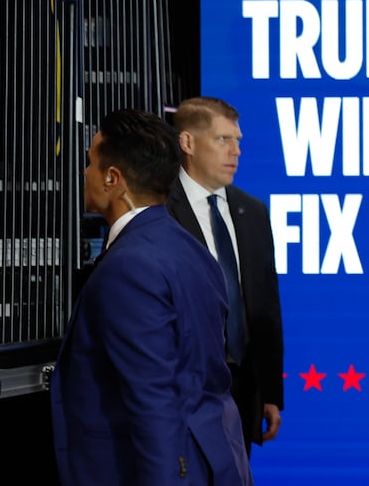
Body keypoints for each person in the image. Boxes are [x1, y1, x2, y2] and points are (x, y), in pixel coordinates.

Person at [50, 109, 251, 485]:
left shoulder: (129, 267)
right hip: (215, 458)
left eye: (90, 163)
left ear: (113, 179)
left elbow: (152, 399)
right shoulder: (192, 250)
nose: (84, 174)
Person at [166, 96, 285, 455]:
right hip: (182, 389)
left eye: (238, 141)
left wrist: (270, 391)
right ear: (187, 143)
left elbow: (266, 305)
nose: (236, 152)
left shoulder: (253, 210)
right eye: (223, 140)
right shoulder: (159, 208)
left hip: (243, 388)